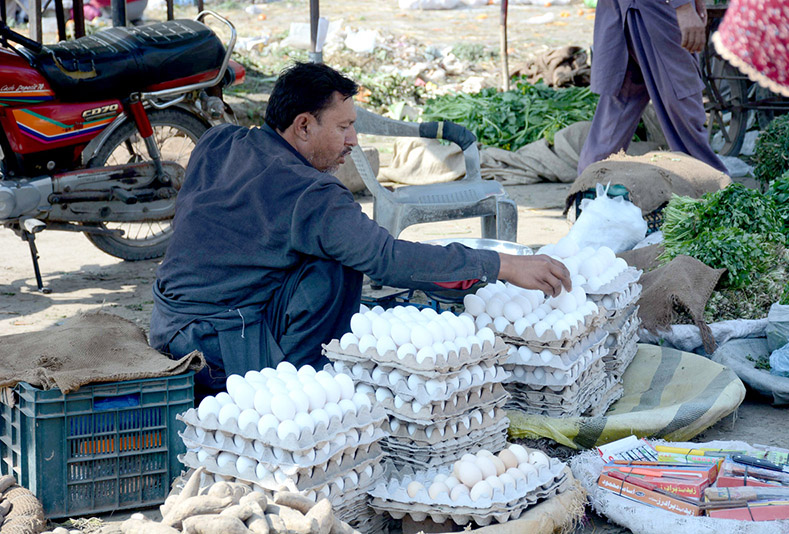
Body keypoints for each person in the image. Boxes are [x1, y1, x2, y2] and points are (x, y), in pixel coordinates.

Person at [150, 62, 571, 398]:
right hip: (219, 350)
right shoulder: (313, 194)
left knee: (317, 256)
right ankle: (298, 386)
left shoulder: (218, 141)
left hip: (167, 327)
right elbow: (388, 260)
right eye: (343, 127)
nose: (353, 140)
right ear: (302, 126)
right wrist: (501, 264)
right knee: (338, 267)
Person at [577, 0, 728, 175]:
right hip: (653, 7)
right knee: (682, 106)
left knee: (620, 106)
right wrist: (684, 6)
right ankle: (712, 188)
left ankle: (587, 190)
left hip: (634, 8)